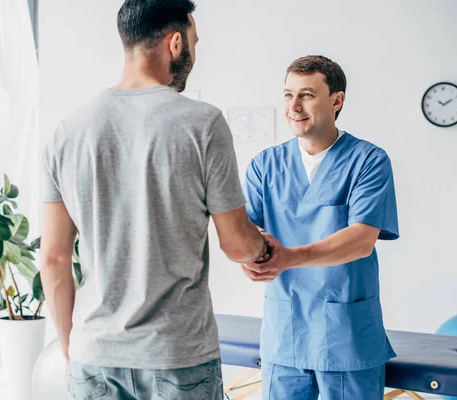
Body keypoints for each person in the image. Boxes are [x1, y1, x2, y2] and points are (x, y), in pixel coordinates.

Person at [39, 1, 276, 399]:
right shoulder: (203, 123)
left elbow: (53, 258)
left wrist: (72, 346)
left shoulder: (68, 131)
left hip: (95, 354)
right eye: (195, 43)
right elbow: (237, 243)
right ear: (176, 43)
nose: (195, 54)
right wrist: (263, 248)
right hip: (177, 356)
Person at [242, 55, 400, 400]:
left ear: (337, 100)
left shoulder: (368, 161)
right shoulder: (265, 165)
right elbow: (245, 231)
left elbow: (361, 240)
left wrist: (288, 257)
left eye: (307, 95)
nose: (293, 106)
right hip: (285, 333)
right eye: (287, 95)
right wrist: (247, 255)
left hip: (346, 335)